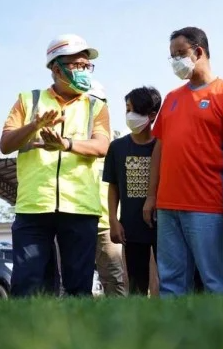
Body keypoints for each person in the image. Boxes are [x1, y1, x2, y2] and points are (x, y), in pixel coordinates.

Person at [143, 27, 223, 296]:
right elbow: (159, 149)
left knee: (214, 281)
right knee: (170, 283)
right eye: (172, 56)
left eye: (180, 54)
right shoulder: (171, 98)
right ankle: (175, 337)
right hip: (168, 206)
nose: (175, 61)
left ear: (199, 51)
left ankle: (222, 337)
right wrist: (150, 196)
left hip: (207, 205)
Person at [0, 34, 111, 297]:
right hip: (35, 205)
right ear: (55, 68)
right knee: (27, 282)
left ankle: (77, 337)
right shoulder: (28, 100)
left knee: (78, 286)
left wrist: (67, 145)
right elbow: (5, 144)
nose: (84, 71)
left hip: (80, 206)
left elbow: (102, 146)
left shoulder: (96, 106)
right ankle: (20, 336)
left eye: (87, 66)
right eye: (77, 65)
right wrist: (34, 125)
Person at [105, 86, 162, 296]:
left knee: (165, 282)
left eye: (134, 110)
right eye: (127, 109)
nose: (129, 115)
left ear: (152, 115)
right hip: (131, 228)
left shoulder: (163, 144)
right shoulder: (117, 147)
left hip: (162, 227)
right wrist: (113, 220)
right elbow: (113, 186)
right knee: (136, 285)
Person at [89, 81, 127, 296]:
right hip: (75, 217)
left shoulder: (115, 142)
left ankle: (120, 322)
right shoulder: (70, 139)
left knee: (113, 277)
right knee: (74, 276)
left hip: (106, 222)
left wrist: (115, 220)